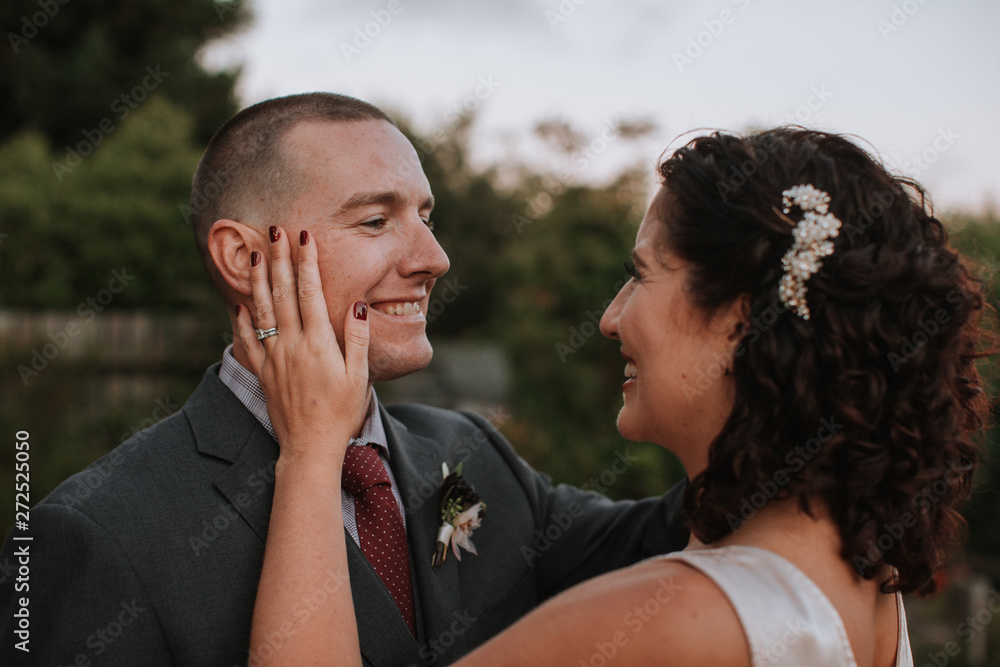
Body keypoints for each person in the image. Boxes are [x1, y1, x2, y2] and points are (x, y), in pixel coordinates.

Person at [244, 127, 996, 665]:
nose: (610, 317)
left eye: (639, 273)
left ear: (740, 319)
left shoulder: (666, 618)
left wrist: (311, 450)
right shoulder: (866, 581)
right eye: (376, 221)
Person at [0, 93, 690, 666]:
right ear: (243, 256)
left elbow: (676, 535)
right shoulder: (93, 535)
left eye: (425, 216)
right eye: (374, 219)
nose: (434, 258)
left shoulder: (468, 451)